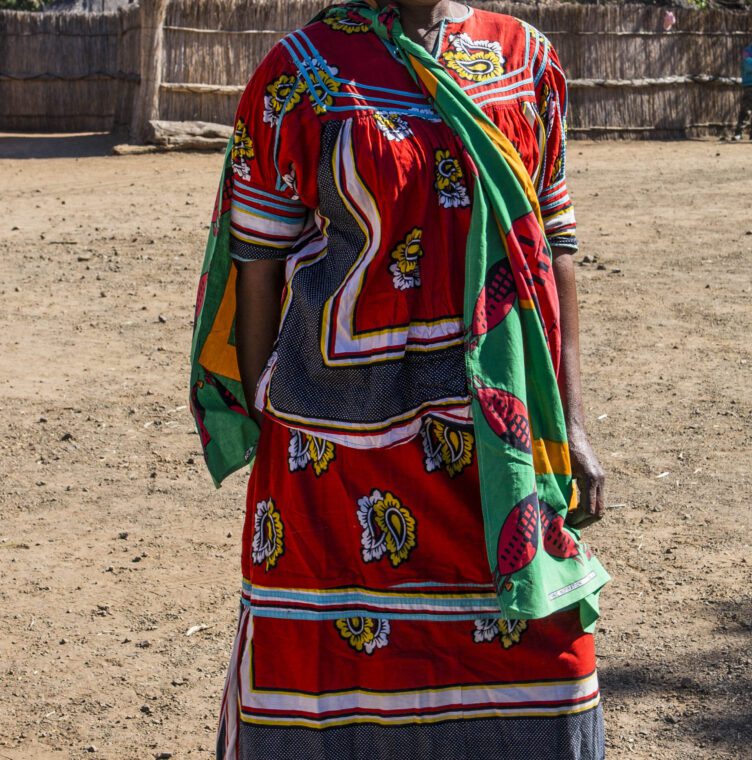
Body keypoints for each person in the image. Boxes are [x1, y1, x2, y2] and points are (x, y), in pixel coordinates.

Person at [190, 2, 610, 758]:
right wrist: (273, 409)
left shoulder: (526, 61)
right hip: (337, 467)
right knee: (324, 691)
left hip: (500, 458)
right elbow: (256, 266)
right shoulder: (299, 73)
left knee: (547, 669)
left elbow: (555, 243)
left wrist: (572, 423)